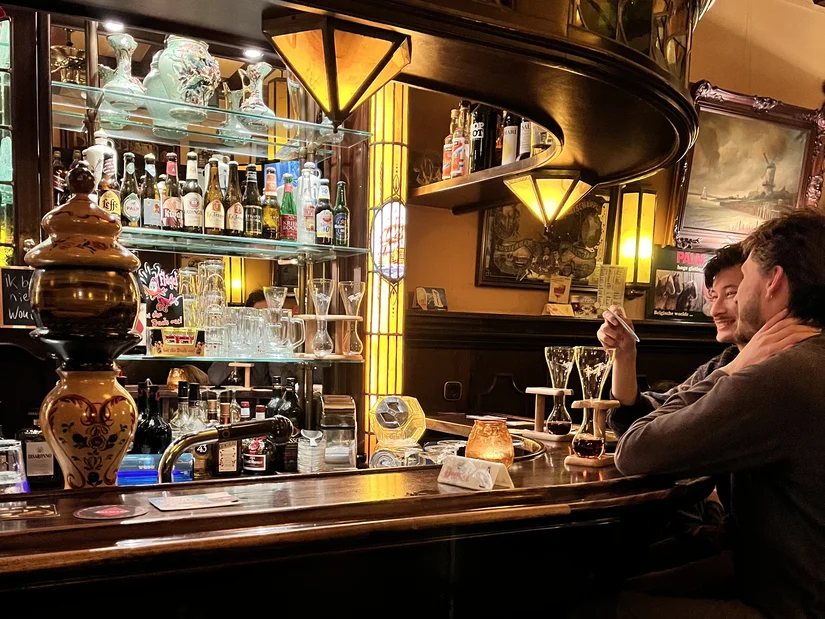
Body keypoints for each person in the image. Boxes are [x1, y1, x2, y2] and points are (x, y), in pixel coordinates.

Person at [614, 211, 825, 618]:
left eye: (742, 280)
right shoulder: (811, 356)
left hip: (789, 605)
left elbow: (635, 449)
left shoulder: (781, 375)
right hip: (769, 575)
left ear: (773, 281)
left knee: (597, 604)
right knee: (622, 580)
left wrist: (733, 368)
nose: (731, 300)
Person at [598, 243, 746, 438]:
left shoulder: (773, 373)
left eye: (730, 294)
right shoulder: (722, 362)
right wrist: (624, 355)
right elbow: (638, 421)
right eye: (714, 296)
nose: (715, 310)